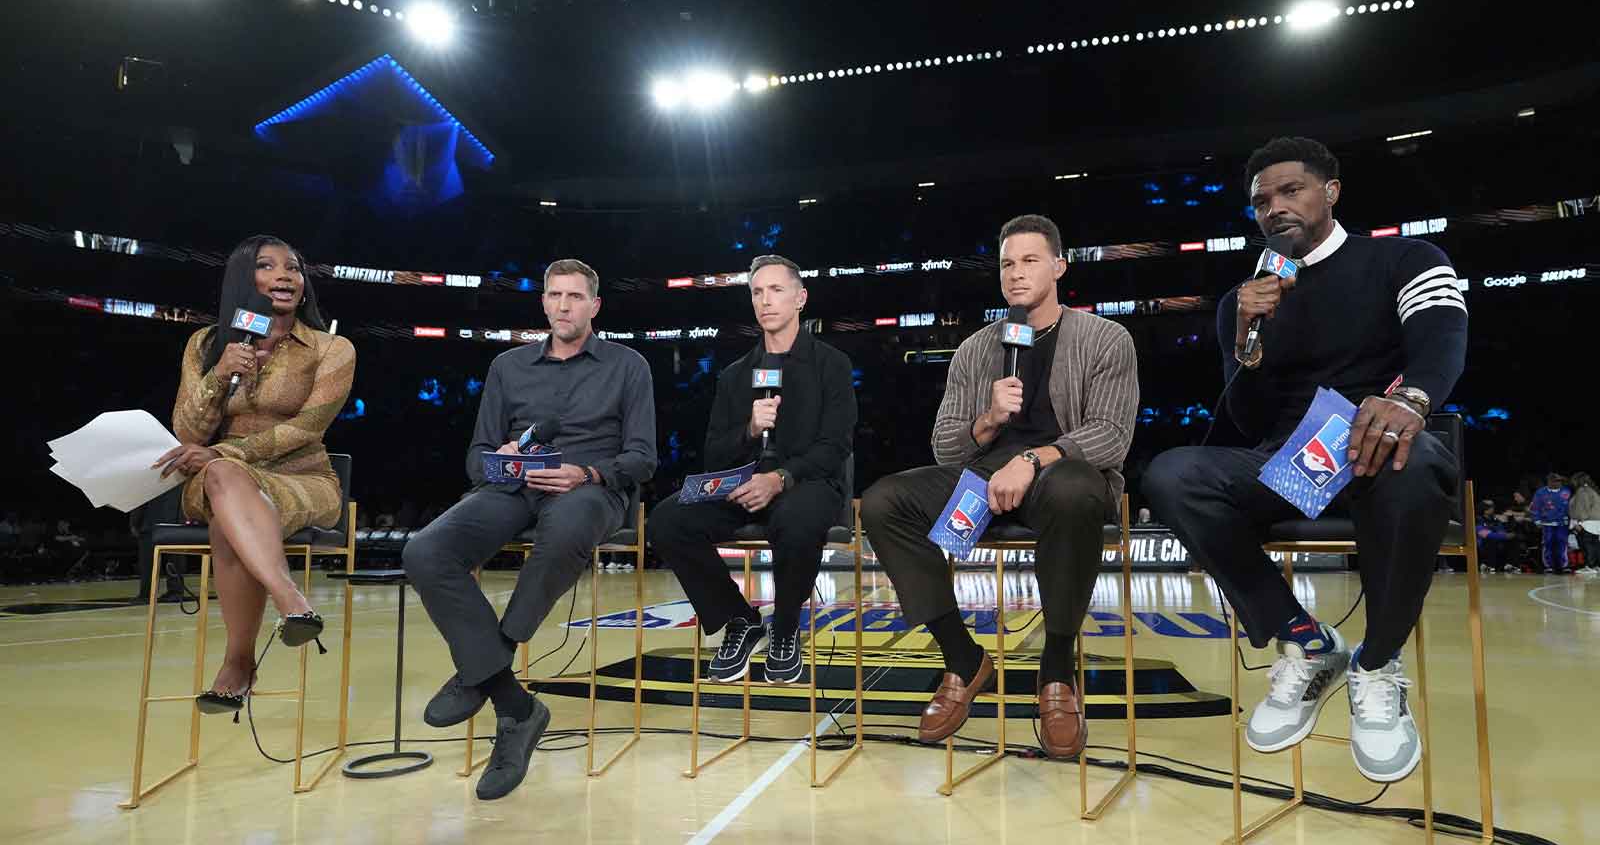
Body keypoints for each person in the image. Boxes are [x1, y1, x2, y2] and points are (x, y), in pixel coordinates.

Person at [1145, 137, 1467, 783]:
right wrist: (1244, 342)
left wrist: (1411, 400)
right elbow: (1248, 421)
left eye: (1290, 190)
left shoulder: (1406, 258)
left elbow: (1441, 339)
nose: (1274, 208)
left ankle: (1376, 665)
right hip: (1289, 468)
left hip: (1376, 455)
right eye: (1261, 201)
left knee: (1418, 459)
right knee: (1170, 474)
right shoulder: (1250, 298)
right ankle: (1306, 641)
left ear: (1331, 191)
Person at [861, 214, 1137, 758]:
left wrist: (1034, 459)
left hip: (1065, 476)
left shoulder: (1106, 338)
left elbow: (1111, 435)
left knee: (1074, 489)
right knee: (883, 501)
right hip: (985, 478)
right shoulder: (976, 348)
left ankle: (1056, 670)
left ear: (1059, 265)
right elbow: (945, 446)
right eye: (1008, 263)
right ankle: (963, 659)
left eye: (1030, 260)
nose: (1016, 273)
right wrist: (987, 418)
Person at [402, 259, 656, 801]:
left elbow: (642, 457)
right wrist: (501, 459)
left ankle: (489, 659)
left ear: (595, 306)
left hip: (589, 486)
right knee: (425, 550)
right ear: (543, 302)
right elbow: (475, 457)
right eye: (555, 296)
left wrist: (588, 472)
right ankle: (515, 705)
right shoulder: (508, 367)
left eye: (575, 297)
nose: (564, 306)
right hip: (512, 486)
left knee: (565, 531)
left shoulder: (628, 365)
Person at [153, 235, 355, 715]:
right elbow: (185, 430)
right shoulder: (205, 344)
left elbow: (308, 428)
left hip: (302, 480)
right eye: (269, 266)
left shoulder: (331, 347)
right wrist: (221, 373)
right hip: (219, 480)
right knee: (225, 480)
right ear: (245, 280)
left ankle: (238, 664)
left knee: (226, 495)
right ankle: (293, 602)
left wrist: (224, 451)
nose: (286, 275)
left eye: (294, 268)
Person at [649, 255, 856, 683]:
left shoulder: (830, 364)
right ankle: (740, 620)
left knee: (797, 518)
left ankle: (784, 629)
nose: (766, 301)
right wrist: (749, 428)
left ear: (800, 298)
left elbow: (834, 447)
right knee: (668, 519)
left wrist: (779, 478)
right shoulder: (735, 375)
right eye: (757, 292)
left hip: (807, 483)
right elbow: (715, 454)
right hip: (743, 486)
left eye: (776, 290)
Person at [1529, 474, 1573, 573]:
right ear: (1549, 482)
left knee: (1562, 543)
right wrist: (1537, 520)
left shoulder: (1566, 491)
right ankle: (1548, 566)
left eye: (1559, 481)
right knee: (1547, 543)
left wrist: (1572, 520)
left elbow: (1570, 507)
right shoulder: (1541, 492)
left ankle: (1563, 565)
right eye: (1555, 481)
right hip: (1547, 523)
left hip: (1562, 523)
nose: (1557, 483)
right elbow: (1535, 507)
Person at [1569, 473, 1600, 572]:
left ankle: (1590, 566)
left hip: (1587, 522)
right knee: (1594, 544)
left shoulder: (1583, 491)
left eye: (1574, 480)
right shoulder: (1592, 490)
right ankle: (1595, 566)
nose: (1572, 483)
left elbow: (1583, 508)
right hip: (1595, 522)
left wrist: (1579, 523)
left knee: (1588, 544)